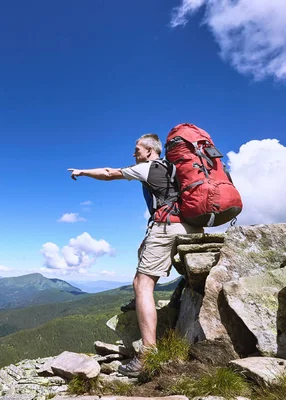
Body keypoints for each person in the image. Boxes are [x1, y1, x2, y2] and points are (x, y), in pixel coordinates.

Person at [68, 133, 202, 378]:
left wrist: (83, 171)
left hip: (167, 224)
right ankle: (142, 303)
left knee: (142, 283)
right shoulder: (178, 167)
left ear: (150, 151)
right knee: (144, 252)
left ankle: (148, 353)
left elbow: (110, 173)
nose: (134, 154)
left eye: (137, 149)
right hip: (192, 225)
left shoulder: (148, 167)